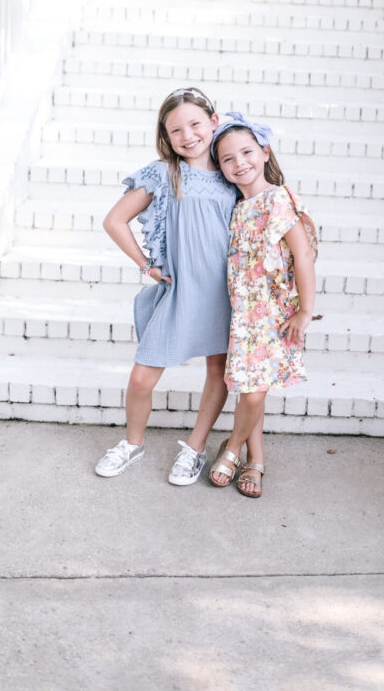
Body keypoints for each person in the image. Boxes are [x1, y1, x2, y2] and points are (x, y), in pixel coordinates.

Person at [94, 87, 237, 485]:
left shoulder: (231, 172)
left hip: (223, 294)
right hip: (178, 292)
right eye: (176, 130)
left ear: (213, 121)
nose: (188, 136)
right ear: (166, 136)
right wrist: (145, 265)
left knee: (218, 372)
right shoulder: (164, 173)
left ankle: (195, 448)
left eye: (195, 124)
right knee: (142, 377)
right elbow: (114, 220)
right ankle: (132, 443)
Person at [208, 112, 317, 498]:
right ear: (221, 168)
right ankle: (257, 459)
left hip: (272, 314)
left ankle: (232, 447)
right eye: (228, 159)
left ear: (265, 152)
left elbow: (302, 254)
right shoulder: (237, 209)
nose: (240, 163)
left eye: (247, 152)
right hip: (242, 314)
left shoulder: (277, 199)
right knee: (250, 388)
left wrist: (304, 311)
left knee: (254, 392)